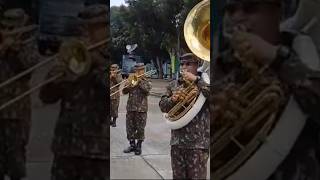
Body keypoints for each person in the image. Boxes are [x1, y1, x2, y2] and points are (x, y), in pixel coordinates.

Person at [212, 0, 320, 179]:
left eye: (250, 8)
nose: (237, 17)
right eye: (230, 10)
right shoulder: (222, 65)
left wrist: (275, 56)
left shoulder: (302, 50)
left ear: (277, 12)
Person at [39, 4, 109, 180]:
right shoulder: (71, 53)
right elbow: (46, 97)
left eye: (94, 28)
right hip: (66, 147)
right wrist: (55, 80)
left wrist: (97, 63)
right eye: (84, 28)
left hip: (98, 151)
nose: (88, 33)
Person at [0, 8, 38, 180]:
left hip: (17, 111)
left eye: (12, 28)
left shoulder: (27, 44)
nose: (8, 32)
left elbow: (28, 67)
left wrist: (14, 50)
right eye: (6, 28)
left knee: (16, 160)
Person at [159, 53, 210, 179]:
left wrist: (196, 80)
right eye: (182, 64)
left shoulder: (204, 83)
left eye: (188, 64)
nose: (184, 67)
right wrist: (173, 99)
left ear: (197, 65)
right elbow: (162, 106)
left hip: (197, 144)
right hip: (177, 144)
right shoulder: (174, 85)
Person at [122, 63, 151, 155]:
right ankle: (132, 145)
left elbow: (147, 90)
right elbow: (124, 91)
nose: (139, 72)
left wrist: (139, 81)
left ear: (143, 70)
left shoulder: (146, 80)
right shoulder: (132, 79)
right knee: (130, 127)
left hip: (141, 109)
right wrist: (129, 83)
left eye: (141, 70)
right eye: (137, 70)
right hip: (131, 107)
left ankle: (139, 146)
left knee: (140, 128)